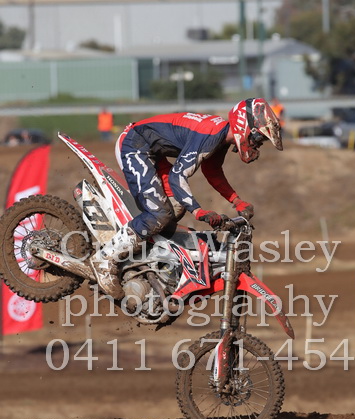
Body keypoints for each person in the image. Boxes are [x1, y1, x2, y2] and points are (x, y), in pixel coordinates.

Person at [90, 98, 283, 297]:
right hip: (135, 145)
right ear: (244, 125)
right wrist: (198, 211)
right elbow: (178, 176)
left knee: (176, 207)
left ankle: (144, 257)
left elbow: (213, 172)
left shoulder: (220, 138)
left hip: (152, 152)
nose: (257, 144)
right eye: (258, 138)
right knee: (158, 214)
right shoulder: (210, 135)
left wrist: (236, 200)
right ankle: (104, 259)